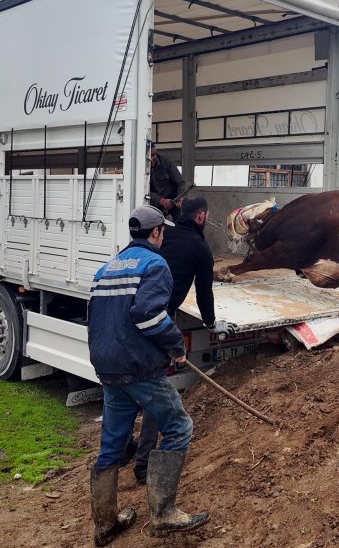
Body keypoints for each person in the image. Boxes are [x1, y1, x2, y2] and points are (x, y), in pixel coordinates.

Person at [87, 205, 209, 544]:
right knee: (179, 427)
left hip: (109, 368)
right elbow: (147, 315)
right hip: (139, 368)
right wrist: (175, 346)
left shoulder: (106, 268)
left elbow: (98, 318)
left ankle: (104, 524)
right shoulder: (155, 264)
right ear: (156, 233)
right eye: (163, 231)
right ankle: (163, 513)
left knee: (111, 445)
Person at [132, 195, 218, 485]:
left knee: (127, 388)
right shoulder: (200, 248)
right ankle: (143, 465)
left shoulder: (161, 238)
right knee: (156, 392)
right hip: (158, 321)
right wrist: (211, 323)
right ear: (201, 217)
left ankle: (122, 452)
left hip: (131, 317)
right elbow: (205, 293)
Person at [149, 143, 188, 220]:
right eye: (149, 156)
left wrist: (180, 197)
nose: (152, 158)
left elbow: (181, 183)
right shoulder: (138, 169)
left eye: (153, 155)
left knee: (182, 221)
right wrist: (161, 201)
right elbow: (141, 192)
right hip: (153, 202)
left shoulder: (166, 161)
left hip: (173, 199)